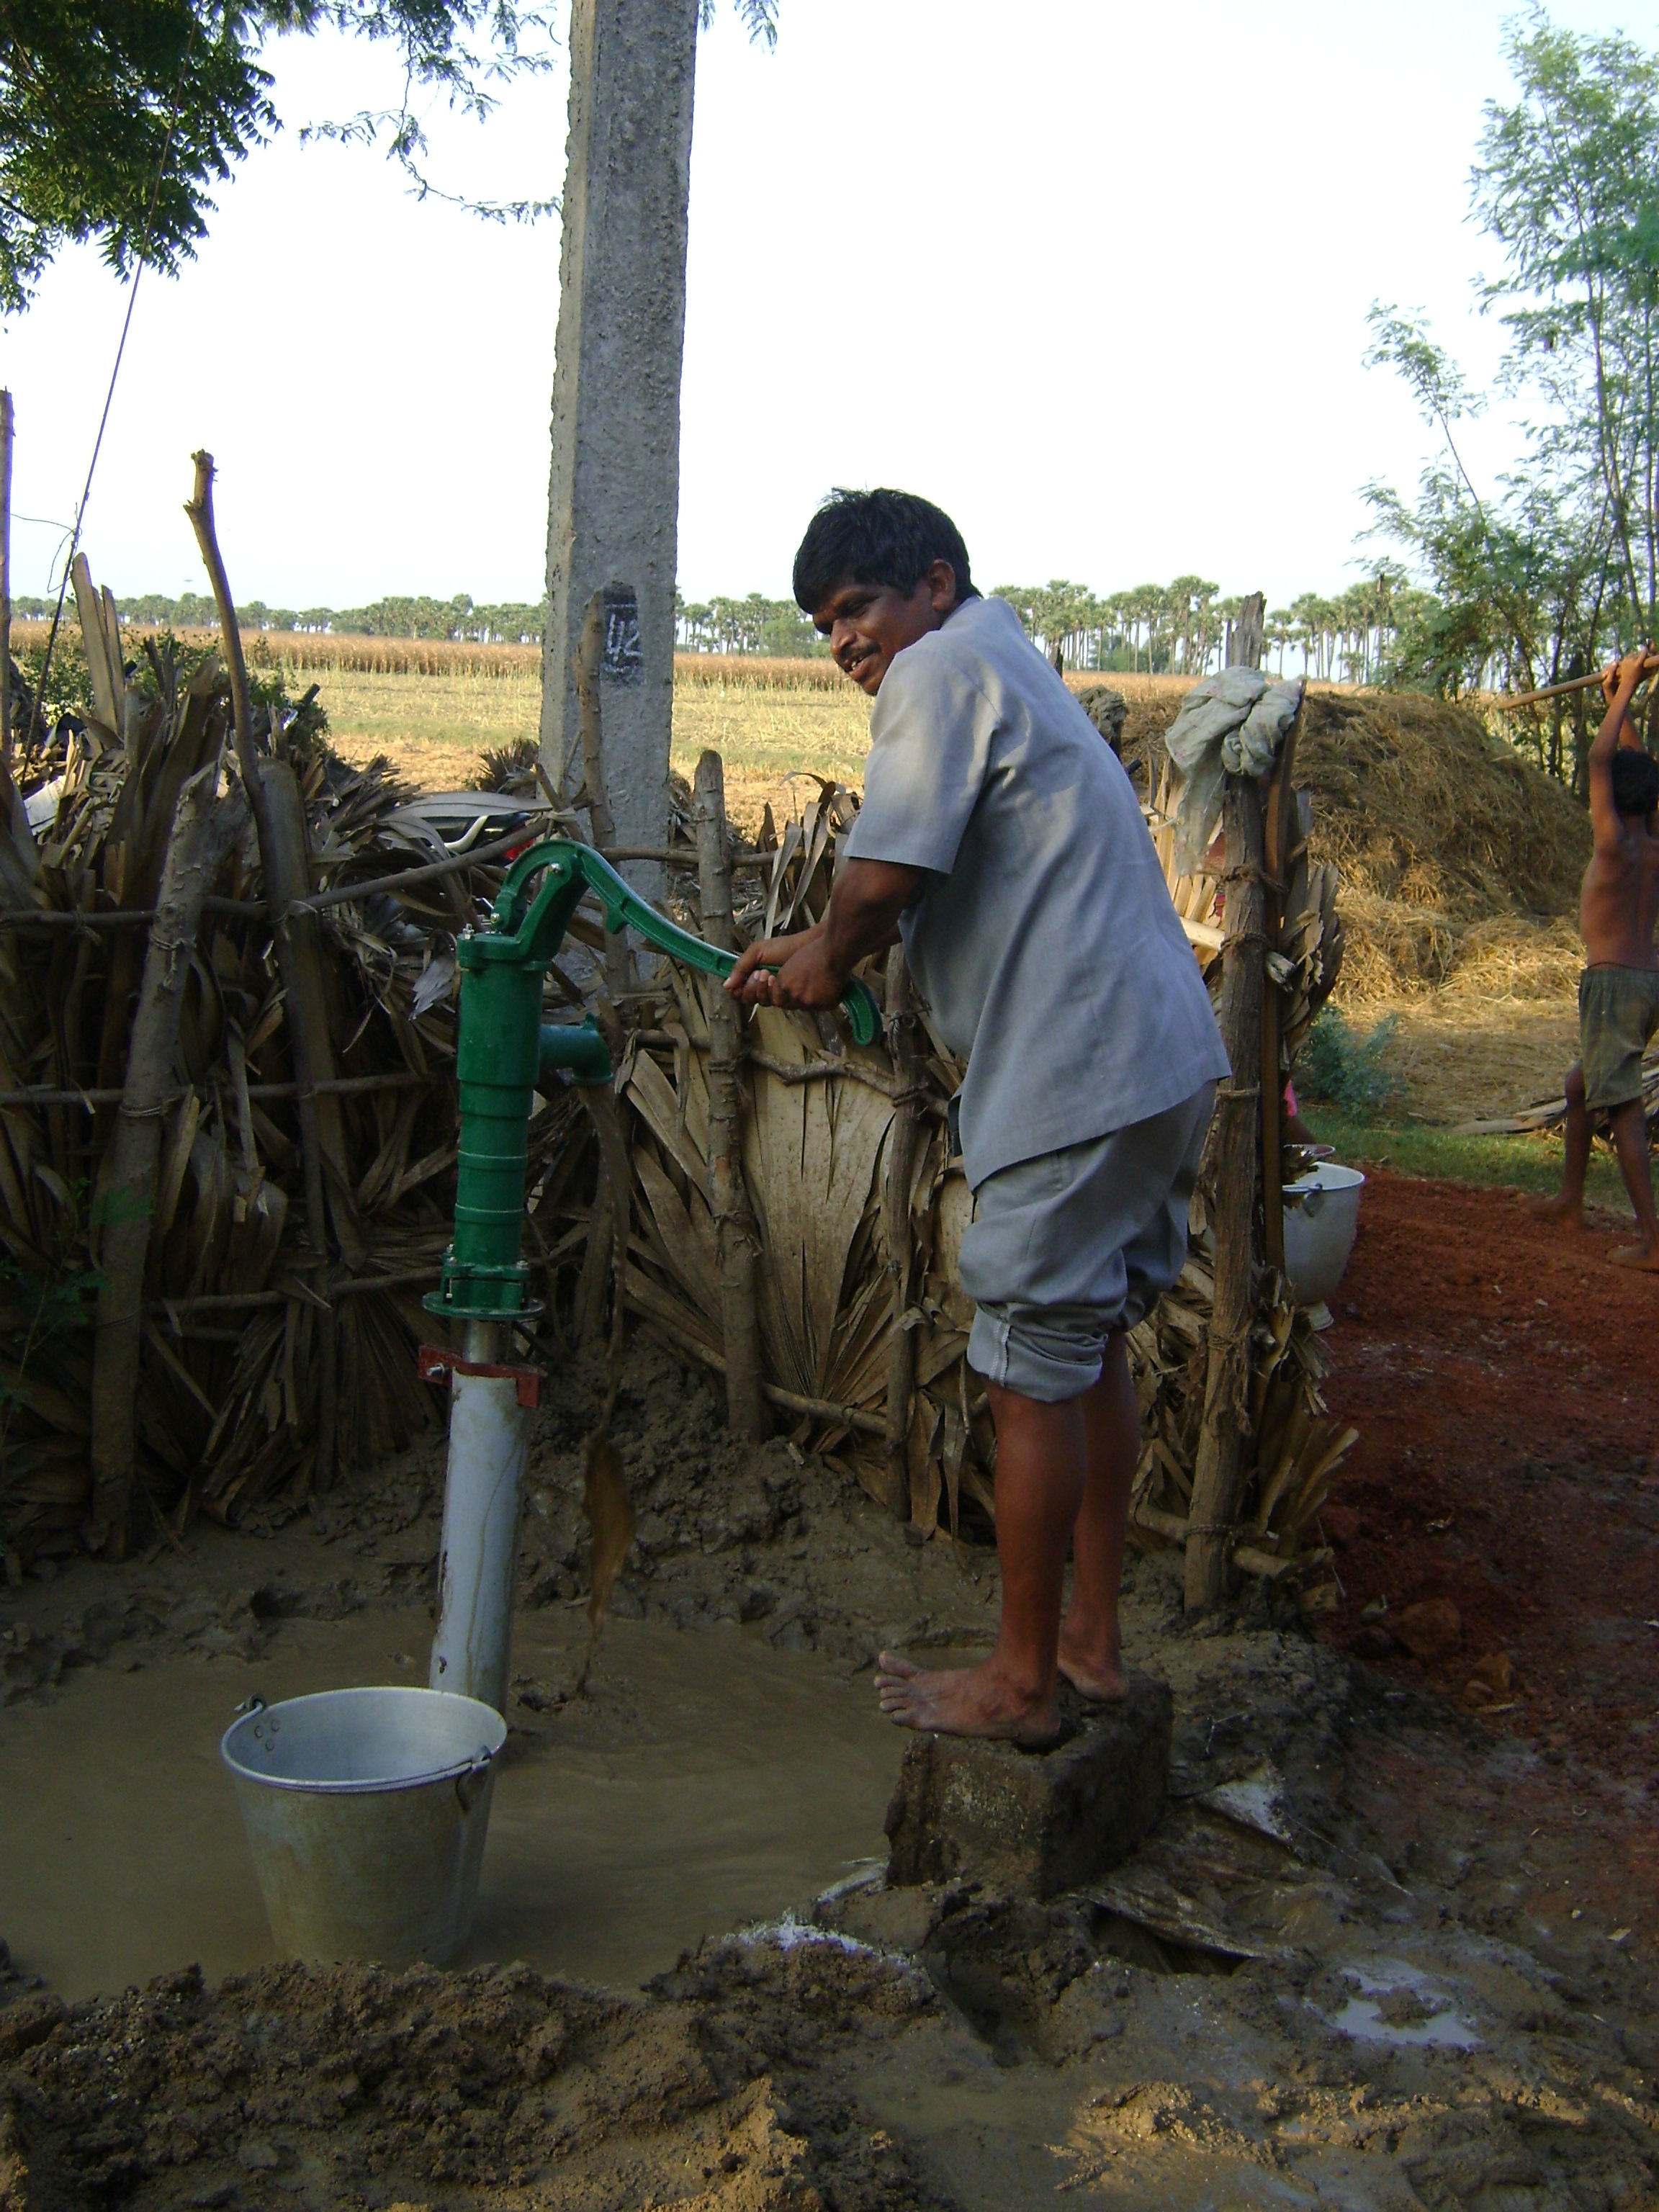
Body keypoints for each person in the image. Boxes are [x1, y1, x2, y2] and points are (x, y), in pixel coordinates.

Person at [726, 489, 1229, 1744]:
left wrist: (826, 962)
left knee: (1017, 1371)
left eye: (856, 608)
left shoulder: (939, 668)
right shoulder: (1002, 660)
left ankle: (1019, 1686)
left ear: (933, 584)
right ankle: (1087, 1647)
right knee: (1085, 1345)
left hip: (1074, 1074)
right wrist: (816, 938)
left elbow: (887, 876)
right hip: (1155, 1057)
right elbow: (896, 887)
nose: (842, 641)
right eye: (822, 624)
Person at [1530, 647, 1659, 1267]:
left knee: (1623, 1106)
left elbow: (1602, 758)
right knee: (1582, 1086)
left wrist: (1628, 685)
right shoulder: (1650, 842)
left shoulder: (1610, 845)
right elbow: (1633, 766)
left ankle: (1652, 1241)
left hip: (1611, 986)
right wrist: (1618, 701)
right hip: (1647, 979)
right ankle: (1571, 1200)